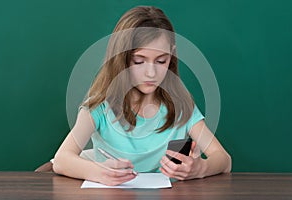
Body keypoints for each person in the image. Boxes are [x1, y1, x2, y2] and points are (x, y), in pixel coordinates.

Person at [53, 6, 231, 186]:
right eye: (139, 61)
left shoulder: (181, 106)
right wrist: (99, 172)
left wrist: (201, 168)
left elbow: (223, 159)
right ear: (121, 58)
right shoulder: (99, 107)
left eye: (161, 61)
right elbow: (61, 160)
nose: (151, 73)